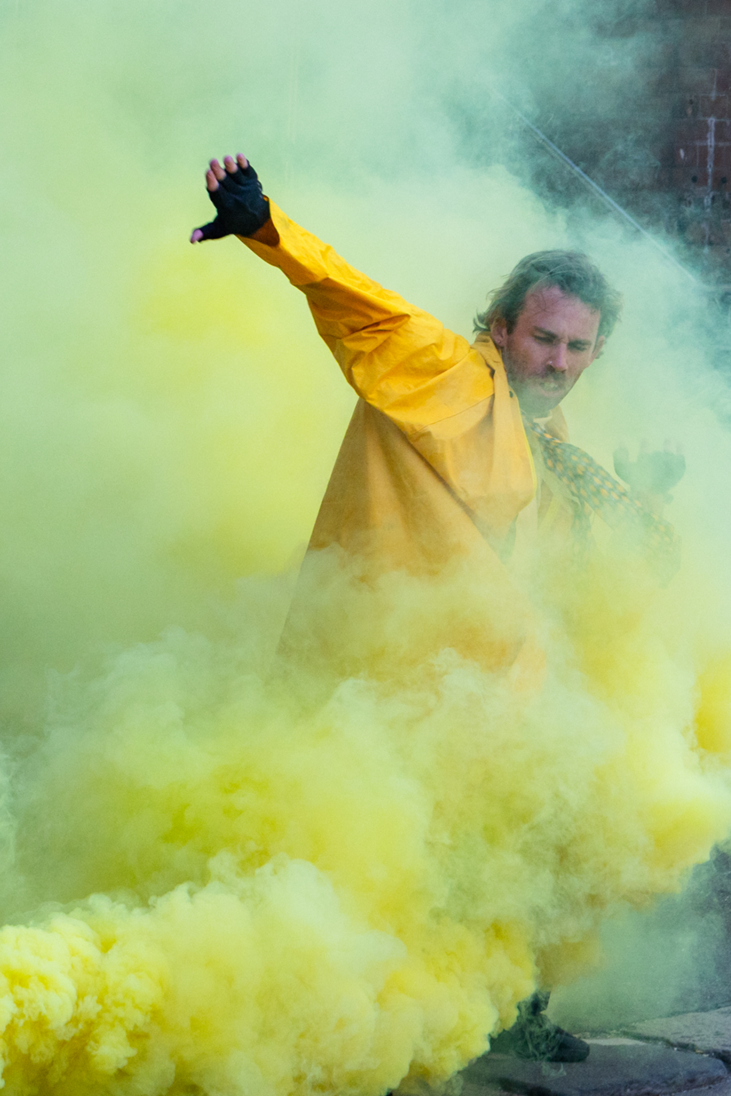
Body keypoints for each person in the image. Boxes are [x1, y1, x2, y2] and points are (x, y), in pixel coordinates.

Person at [190, 154, 682, 1064]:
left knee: (528, 840)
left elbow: (577, 558)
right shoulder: (443, 372)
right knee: (371, 862)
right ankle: (359, 1044)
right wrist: (265, 226)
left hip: (492, 692)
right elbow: (358, 303)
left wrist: (646, 500)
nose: (559, 362)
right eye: (543, 339)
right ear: (500, 327)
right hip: (388, 672)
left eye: (577, 348)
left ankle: (504, 1010)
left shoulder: (554, 438)